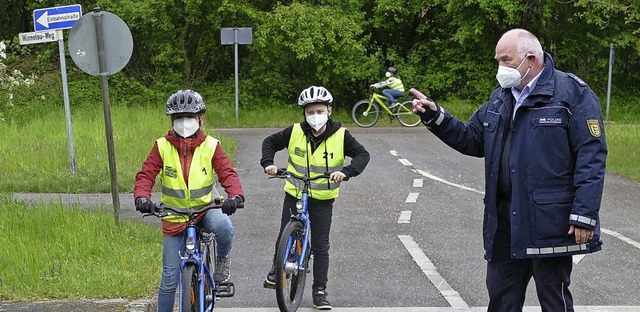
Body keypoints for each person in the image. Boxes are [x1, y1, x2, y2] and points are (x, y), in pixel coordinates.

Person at [410, 28, 607, 311]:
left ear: (530, 59)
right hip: (505, 223)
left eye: (506, 59)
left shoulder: (572, 94)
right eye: (498, 60)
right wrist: (435, 117)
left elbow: (592, 156)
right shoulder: (500, 98)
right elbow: (473, 138)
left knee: (554, 300)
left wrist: (585, 214)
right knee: (501, 299)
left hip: (550, 222)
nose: (501, 67)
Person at [133, 89, 245, 312]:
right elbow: (146, 174)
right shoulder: (161, 146)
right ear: (172, 121)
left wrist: (235, 195)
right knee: (168, 279)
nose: (184, 123)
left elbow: (227, 173)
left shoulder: (211, 145)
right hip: (174, 215)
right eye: (178, 118)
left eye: (190, 117)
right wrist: (142, 197)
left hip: (205, 209)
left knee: (224, 226)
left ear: (200, 119)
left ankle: (221, 260)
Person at [260, 86, 370, 310]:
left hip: (323, 197)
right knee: (284, 233)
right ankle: (276, 268)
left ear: (329, 110)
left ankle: (319, 291)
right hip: (296, 191)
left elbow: (362, 155)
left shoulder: (341, 135)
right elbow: (269, 143)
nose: (315, 116)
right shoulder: (294, 132)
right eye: (310, 112)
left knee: (320, 246)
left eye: (319, 111)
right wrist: (268, 163)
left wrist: (347, 172)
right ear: (304, 114)